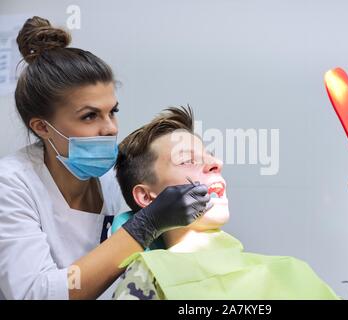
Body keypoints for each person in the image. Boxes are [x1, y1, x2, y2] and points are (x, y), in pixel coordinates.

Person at [0, 17, 210, 300]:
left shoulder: (110, 176)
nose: (110, 128)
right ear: (41, 127)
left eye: (112, 111)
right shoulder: (11, 185)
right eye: (89, 116)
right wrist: (145, 225)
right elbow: (37, 294)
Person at [112, 106, 348, 300]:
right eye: (188, 160)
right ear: (147, 197)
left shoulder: (292, 273)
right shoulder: (148, 278)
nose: (215, 163)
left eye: (210, 156)